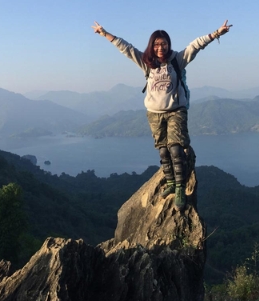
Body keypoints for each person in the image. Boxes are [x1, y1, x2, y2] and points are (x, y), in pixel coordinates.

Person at [91, 20, 232, 210]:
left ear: (168, 44)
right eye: (156, 44)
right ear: (152, 45)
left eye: (163, 43)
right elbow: (126, 48)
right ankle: (171, 182)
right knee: (163, 150)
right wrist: (104, 33)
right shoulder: (146, 62)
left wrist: (216, 33)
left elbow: (196, 45)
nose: (160, 47)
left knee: (175, 148)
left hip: (176, 111)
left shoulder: (177, 60)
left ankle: (180, 188)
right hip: (154, 114)